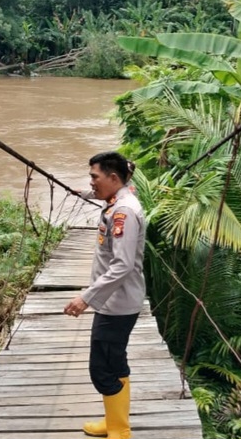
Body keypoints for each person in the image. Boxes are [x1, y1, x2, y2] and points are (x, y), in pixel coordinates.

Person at [64, 152, 146, 439]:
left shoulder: (124, 212)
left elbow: (122, 265)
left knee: (102, 368)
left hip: (118, 304)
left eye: (94, 177)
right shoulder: (120, 198)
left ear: (113, 178)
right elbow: (109, 196)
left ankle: (120, 430)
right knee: (114, 361)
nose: (91, 182)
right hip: (116, 301)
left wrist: (86, 297)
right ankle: (114, 422)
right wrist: (82, 192)